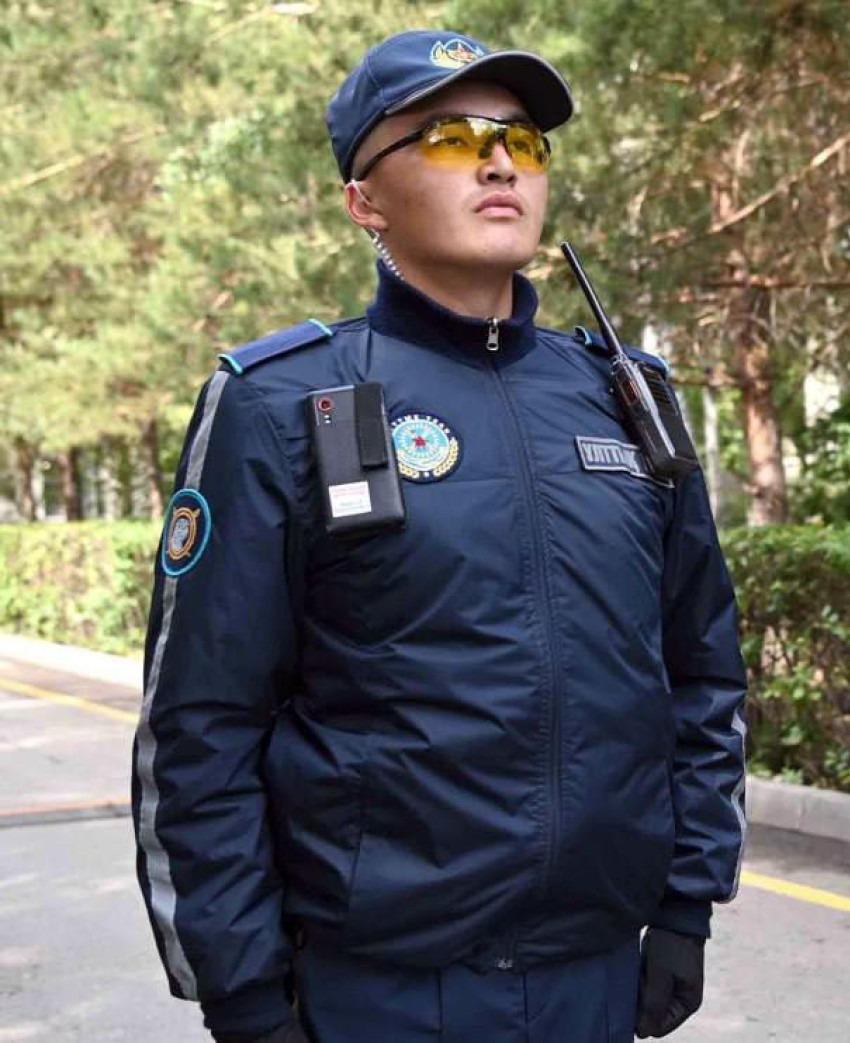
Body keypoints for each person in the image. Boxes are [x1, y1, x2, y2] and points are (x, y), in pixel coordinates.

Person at [130, 30, 747, 1043]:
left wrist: (688, 901)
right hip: (378, 989)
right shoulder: (290, 401)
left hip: (592, 974)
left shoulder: (625, 396)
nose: (501, 162)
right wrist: (240, 989)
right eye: (452, 137)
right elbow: (201, 722)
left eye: (523, 141)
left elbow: (701, 671)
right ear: (363, 200)